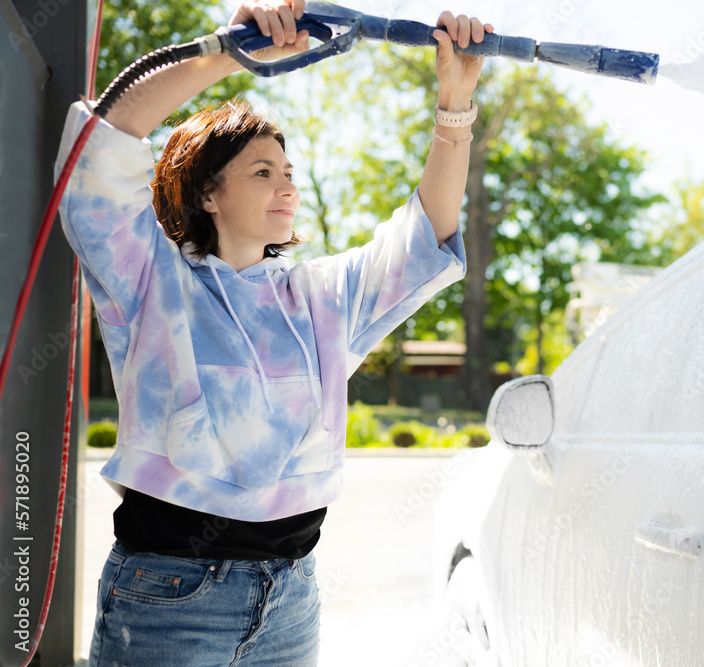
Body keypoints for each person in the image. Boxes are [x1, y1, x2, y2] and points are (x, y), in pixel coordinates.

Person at [56, 0, 492, 664]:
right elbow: (107, 144)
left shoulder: (321, 297)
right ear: (207, 193)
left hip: (291, 595)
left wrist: (455, 106)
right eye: (263, 172)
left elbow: (424, 237)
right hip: (170, 595)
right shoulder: (150, 276)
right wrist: (232, 51)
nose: (287, 186)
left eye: (288, 172)